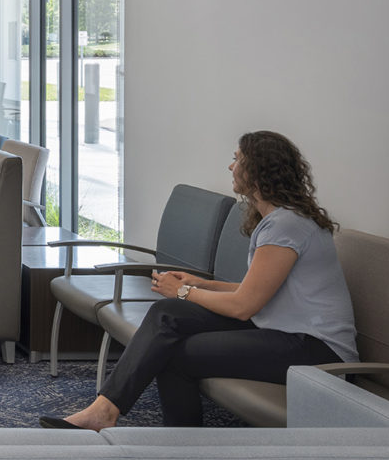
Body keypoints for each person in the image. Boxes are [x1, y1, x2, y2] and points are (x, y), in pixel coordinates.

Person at [43, 130, 357, 429]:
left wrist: (182, 291)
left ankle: (184, 446)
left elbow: (243, 306)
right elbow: (254, 292)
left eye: (238, 159)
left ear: (260, 170)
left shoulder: (287, 226)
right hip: (282, 330)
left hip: (317, 351)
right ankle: (104, 410)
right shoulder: (278, 220)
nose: (231, 166)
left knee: (175, 353)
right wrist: (199, 284)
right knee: (167, 314)